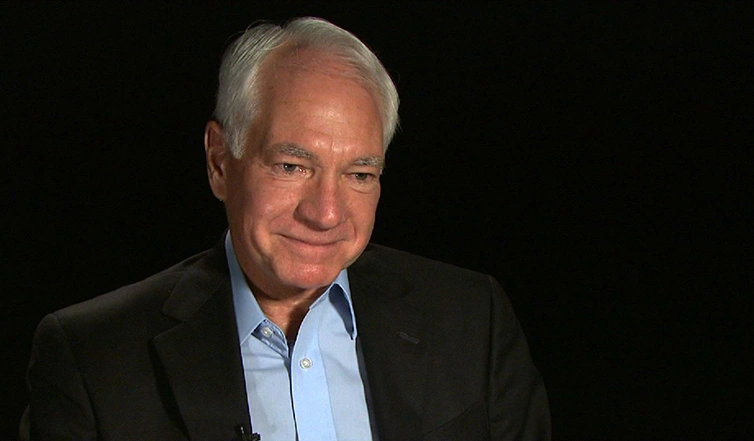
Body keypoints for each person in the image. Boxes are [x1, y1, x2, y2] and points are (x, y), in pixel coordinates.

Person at [21, 17, 550, 441]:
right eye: (292, 166)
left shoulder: (472, 319)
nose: (326, 213)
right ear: (219, 162)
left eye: (359, 174)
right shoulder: (94, 360)